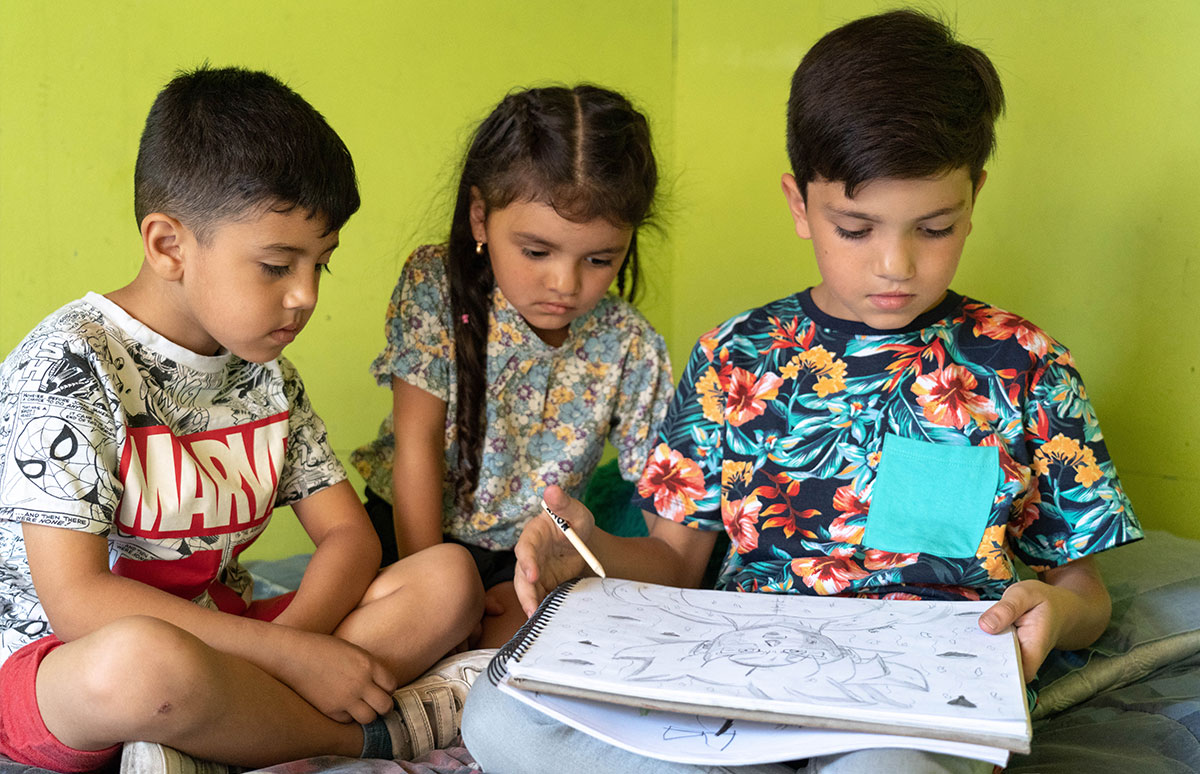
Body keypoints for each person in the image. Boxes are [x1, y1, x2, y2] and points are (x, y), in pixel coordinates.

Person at [462, 10, 1143, 774]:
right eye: (856, 228)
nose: (896, 264)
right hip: (733, 674)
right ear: (799, 203)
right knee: (500, 714)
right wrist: (584, 556)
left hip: (907, 700)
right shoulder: (734, 357)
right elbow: (674, 563)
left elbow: (1085, 590)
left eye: (935, 227)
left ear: (974, 195)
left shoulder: (1023, 363)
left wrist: (1058, 608)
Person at [0, 66, 485, 773]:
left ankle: (226, 736)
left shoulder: (264, 374)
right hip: (63, 669)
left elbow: (349, 537)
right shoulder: (68, 365)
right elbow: (78, 604)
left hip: (231, 641)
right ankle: (356, 737)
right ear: (169, 246)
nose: (304, 296)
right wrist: (292, 657)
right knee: (141, 662)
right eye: (275, 265)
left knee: (447, 577)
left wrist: (296, 645)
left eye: (322, 265)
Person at [350, 85, 674, 647]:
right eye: (537, 251)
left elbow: (668, 531)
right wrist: (436, 590)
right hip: (409, 536)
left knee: (555, 642)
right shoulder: (436, 288)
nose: (565, 284)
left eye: (600, 259)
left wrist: (552, 567)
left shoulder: (630, 345)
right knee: (397, 629)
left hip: (528, 561)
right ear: (481, 217)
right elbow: (417, 445)